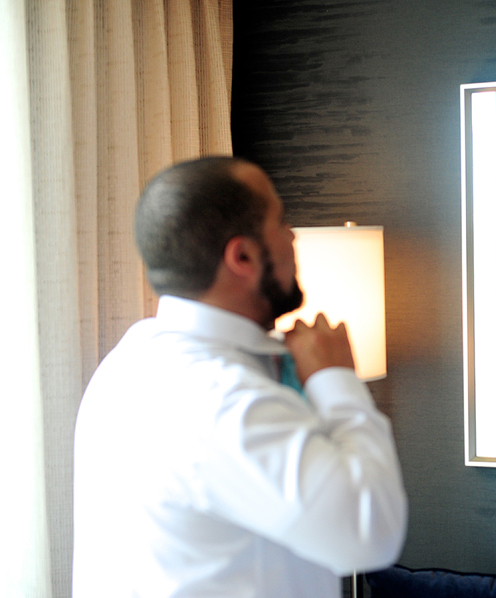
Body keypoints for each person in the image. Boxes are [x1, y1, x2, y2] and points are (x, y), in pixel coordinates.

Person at [72, 156, 407, 598]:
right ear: (243, 256)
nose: (292, 238)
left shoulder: (131, 361)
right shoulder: (222, 398)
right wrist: (337, 382)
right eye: (281, 221)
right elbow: (370, 533)